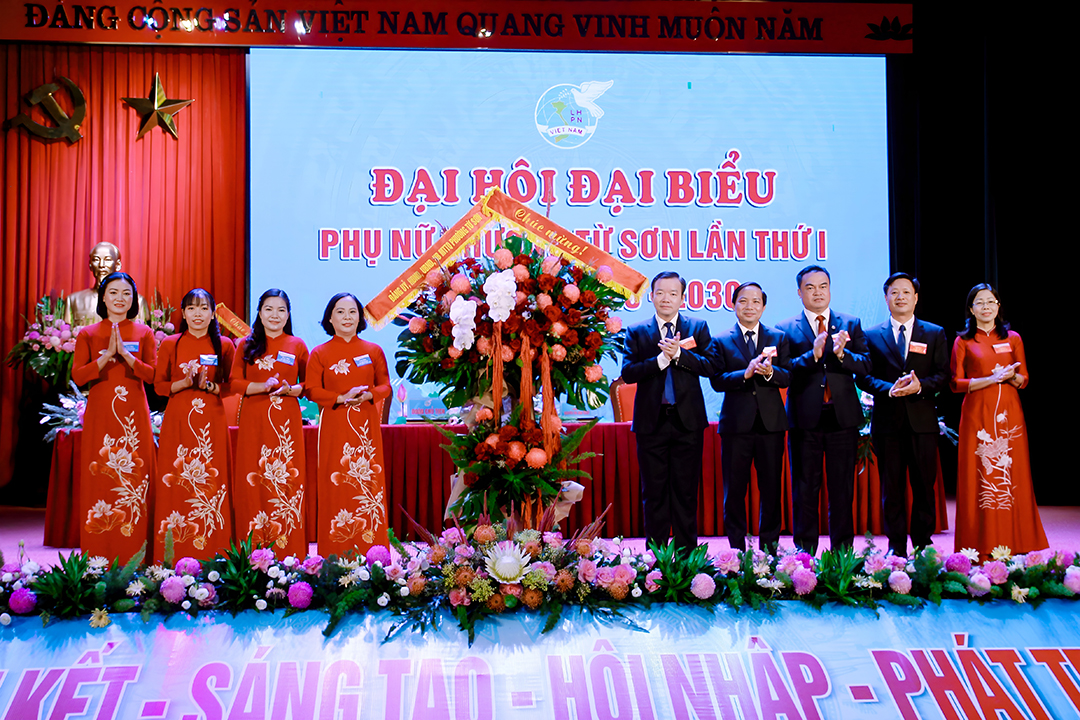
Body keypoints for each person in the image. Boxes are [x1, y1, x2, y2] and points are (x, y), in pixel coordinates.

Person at [622, 272, 720, 552]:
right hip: (651, 423)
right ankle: (655, 558)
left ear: (682, 298)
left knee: (685, 493)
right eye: (661, 293)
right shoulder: (637, 331)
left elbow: (711, 366)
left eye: (673, 293)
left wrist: (678, 355)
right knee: (653, 494)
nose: (666, 298)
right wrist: (659, 361)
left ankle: (687, 559)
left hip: (687, 422)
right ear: (651, 296)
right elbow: (628, 373)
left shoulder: (697, 327)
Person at [777, 265, 871, 554]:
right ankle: (804, 555)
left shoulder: (850, 323)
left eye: (823, 286)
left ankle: (842, 554)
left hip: (842, 418)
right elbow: (784, 372)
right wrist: (813, 354)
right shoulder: (785, 328)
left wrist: (842, 354)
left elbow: (866, 365)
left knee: (842, 490)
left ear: (830, 289)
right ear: (799, 292)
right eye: (810, 287)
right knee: (805, 488)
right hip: (805, 419)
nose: (817, 292)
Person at [856, 273, 949, 557]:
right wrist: (889, 389)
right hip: (888, 424)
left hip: (922, 423)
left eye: (906, 292)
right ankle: (895, 548)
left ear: (916, 298)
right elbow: (864, 377)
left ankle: (923, 546)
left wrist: (921, 387)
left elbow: (943, 375)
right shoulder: (871, 335)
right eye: (894, 292)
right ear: (886, 298)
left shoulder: (934, 333)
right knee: (892, 489)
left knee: (924, 487)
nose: (900, 297)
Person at [950, 284, 1046, 557]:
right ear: (971, 309)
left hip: (1009, 415)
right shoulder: (963, 341)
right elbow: (955, 383)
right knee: (981, 475)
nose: (986, 307)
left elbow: (1024, 379)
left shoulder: (1013, 338)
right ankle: (979, 544)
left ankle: (1018, 543)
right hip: (977, 414)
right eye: (980, 302)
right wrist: (990, 379)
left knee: (1012, 475)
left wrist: (1010, 376)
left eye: (991, 302)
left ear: (998, 306)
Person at [71, 271, 157, 561]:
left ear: (133, 300)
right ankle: (99, 555)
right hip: (101, 414)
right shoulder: (88, 334)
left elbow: (153, 375)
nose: (120, 298)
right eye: (114, 293)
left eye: (127, 294)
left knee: (136, 475)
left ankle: (137, 553)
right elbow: (78, 376)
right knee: (101, 475)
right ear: (103, 298)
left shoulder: (144, 333)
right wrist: (106, 356)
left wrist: (128, 357)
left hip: (134, 414)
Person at [306, 293, 392, 556]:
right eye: (340, 312)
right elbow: (311, 390)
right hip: (334, 425)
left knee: (367, 481)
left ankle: (372, 550)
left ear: (360, 318)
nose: (347, 317)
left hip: (365, 427)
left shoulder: (373, 351)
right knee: (335, 482)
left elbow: (385, 386)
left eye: (352, 312)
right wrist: (340, 398)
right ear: (330, 318)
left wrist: (370, 395)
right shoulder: (319, 353)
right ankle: (335, 550)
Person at [153, 288, 235, 561]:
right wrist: (185, 383)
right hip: (178, 420)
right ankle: (174, 550)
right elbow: (159, 386)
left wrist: (211, 387)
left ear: (213, 314)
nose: (197, 314)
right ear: (183, 313)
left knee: (211, 480)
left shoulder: (225, 345)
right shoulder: (171, 343)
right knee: (177, 479)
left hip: (212, 421)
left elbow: (232, 385)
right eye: (191, 308)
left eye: (203, 308)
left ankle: (215, 551)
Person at [709, 282, 790, 555]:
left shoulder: (778, 337)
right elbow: (717, 381)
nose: (750, 306)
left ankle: (770, 551)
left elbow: (788, 376)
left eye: (756, 301)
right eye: (743, 301)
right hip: (736, 426)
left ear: (763, 307)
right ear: (734, 305)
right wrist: (745, 374)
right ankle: (736, 552)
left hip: (771, 425)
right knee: (734, 492)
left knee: (771, 489)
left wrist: (769, 373)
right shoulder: (721, 340)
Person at [231, 289, 309, 556]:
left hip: (286, 422)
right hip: (254, 420)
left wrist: (292, 389)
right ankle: (253, 551)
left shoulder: (297, 345)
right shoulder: (246, 344)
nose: (275, 315)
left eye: (281, 310)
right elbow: (234, 383)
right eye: (269, 309)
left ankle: (290, 553)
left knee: (286, 480)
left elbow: (309, 384)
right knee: (253, 479)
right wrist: (261, 386)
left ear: (288, 315)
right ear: (259, 313)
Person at [64, 242, 148, 328]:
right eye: (96, 260)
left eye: (108, 260)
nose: (101, 265)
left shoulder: (137, 301)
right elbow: (67, 331)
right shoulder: (74, 300)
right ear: (90, 265)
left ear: (118, 265)